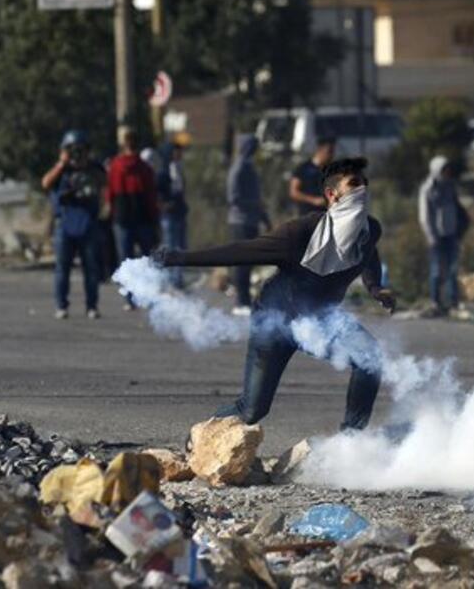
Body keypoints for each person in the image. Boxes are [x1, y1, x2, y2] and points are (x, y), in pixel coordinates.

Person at [152, 157, 396, 430]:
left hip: (321, 320)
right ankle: (200, 438)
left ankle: (350, 440)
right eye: (354, 184)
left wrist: (375, 287)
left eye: (364, 184)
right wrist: (179, 258)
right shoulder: (299, 234)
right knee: (252, 411)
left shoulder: (370, 229)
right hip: (275, 321)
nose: (362, 190)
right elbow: (240, 252)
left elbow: (368, 254)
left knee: (370, 359)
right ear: (332, 195)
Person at [41, 130, 104, 320]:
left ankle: (92, 306)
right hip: (65, 223)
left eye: (80, 149)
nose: (77, 153)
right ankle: (61, 305)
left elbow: (104, 181)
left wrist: (87, 165)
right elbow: (45, 183)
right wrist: (62, 163)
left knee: (91, 268)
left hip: (87, 223)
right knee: (62, 268)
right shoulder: (61, 170)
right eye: (72, 149)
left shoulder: (93, 168)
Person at [107, 128, 159, 310]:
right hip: (142, 217)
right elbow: (151, 196)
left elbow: (110, 194)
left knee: (125, 261)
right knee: (147, 260)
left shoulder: (115, 165)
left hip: (122, 218)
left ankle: (130, 299)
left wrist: (112, 214)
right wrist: (154, 217)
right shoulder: (144, 168)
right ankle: (148, 296)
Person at [226, 134, 271, 316]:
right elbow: (233, 198)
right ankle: (240, 302)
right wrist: (254, 205)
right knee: (242, 263)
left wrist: (265, 219)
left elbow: (257, 197)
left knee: (249, 262)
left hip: (252, 221)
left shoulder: (250, 168)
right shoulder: (238, 169)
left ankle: (245, 300)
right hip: (240, 221)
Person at [417, 155, 468, 314]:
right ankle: (435, 301)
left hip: (451, 234)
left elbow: (457, 209)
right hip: (436, 236)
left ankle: (453, 302)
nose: (447, 173)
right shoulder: (428, 189)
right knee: (437, 270)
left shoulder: (450, 187)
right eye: (444, 170)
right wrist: (431, 236)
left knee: (453, 269)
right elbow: (424, 216)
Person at [157, 135, 189, 289]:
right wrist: (164, 204)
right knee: (170, 247)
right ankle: (169, 280)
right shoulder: (164, 171)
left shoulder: (179, 169)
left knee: (181, 247)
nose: (179, 154)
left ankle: (178, 279)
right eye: (177, 151)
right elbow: (158, 192)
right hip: (169, 216)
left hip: (180, 214)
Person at [289, 137, 335, 215]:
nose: (331, 156)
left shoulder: (330, 170)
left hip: (325, 214)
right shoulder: (303, 168)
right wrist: (313, 200)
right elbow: (294, 192)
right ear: (320, 150)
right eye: (329, 152)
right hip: (307, 214)